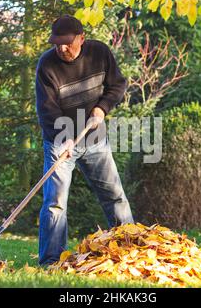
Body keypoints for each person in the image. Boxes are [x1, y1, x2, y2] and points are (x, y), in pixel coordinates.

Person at [35, 15, 134, 266]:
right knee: (55, 203)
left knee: (114, 195)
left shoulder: (99, 53)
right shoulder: (47, 65)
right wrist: (65, 138)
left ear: (81, 38)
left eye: (67, 43)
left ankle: (131, 250)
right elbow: (47, 109)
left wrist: (102, 107)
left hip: (95, 139)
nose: (62, 48)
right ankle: (51, 261)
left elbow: (117, 85)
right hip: (60, 142)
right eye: (57, 43)